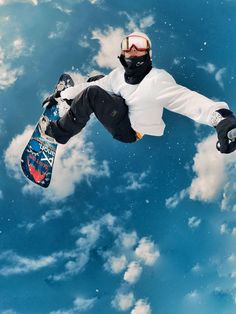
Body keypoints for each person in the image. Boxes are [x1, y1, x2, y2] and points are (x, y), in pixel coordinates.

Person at [41, 32, 236, 154]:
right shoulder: (118, 75)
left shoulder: (157, 81)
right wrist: (65, 95)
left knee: (93, 93)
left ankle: (57, 134)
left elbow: (187, 100)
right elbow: (102, 83)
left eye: (139, 49)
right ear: (122, 55)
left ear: (147, 54)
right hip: (123, 107)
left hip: (129, 130)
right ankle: (71, 102)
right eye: (128, 50)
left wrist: (221, 118)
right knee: (96, 81)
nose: (133, 53)